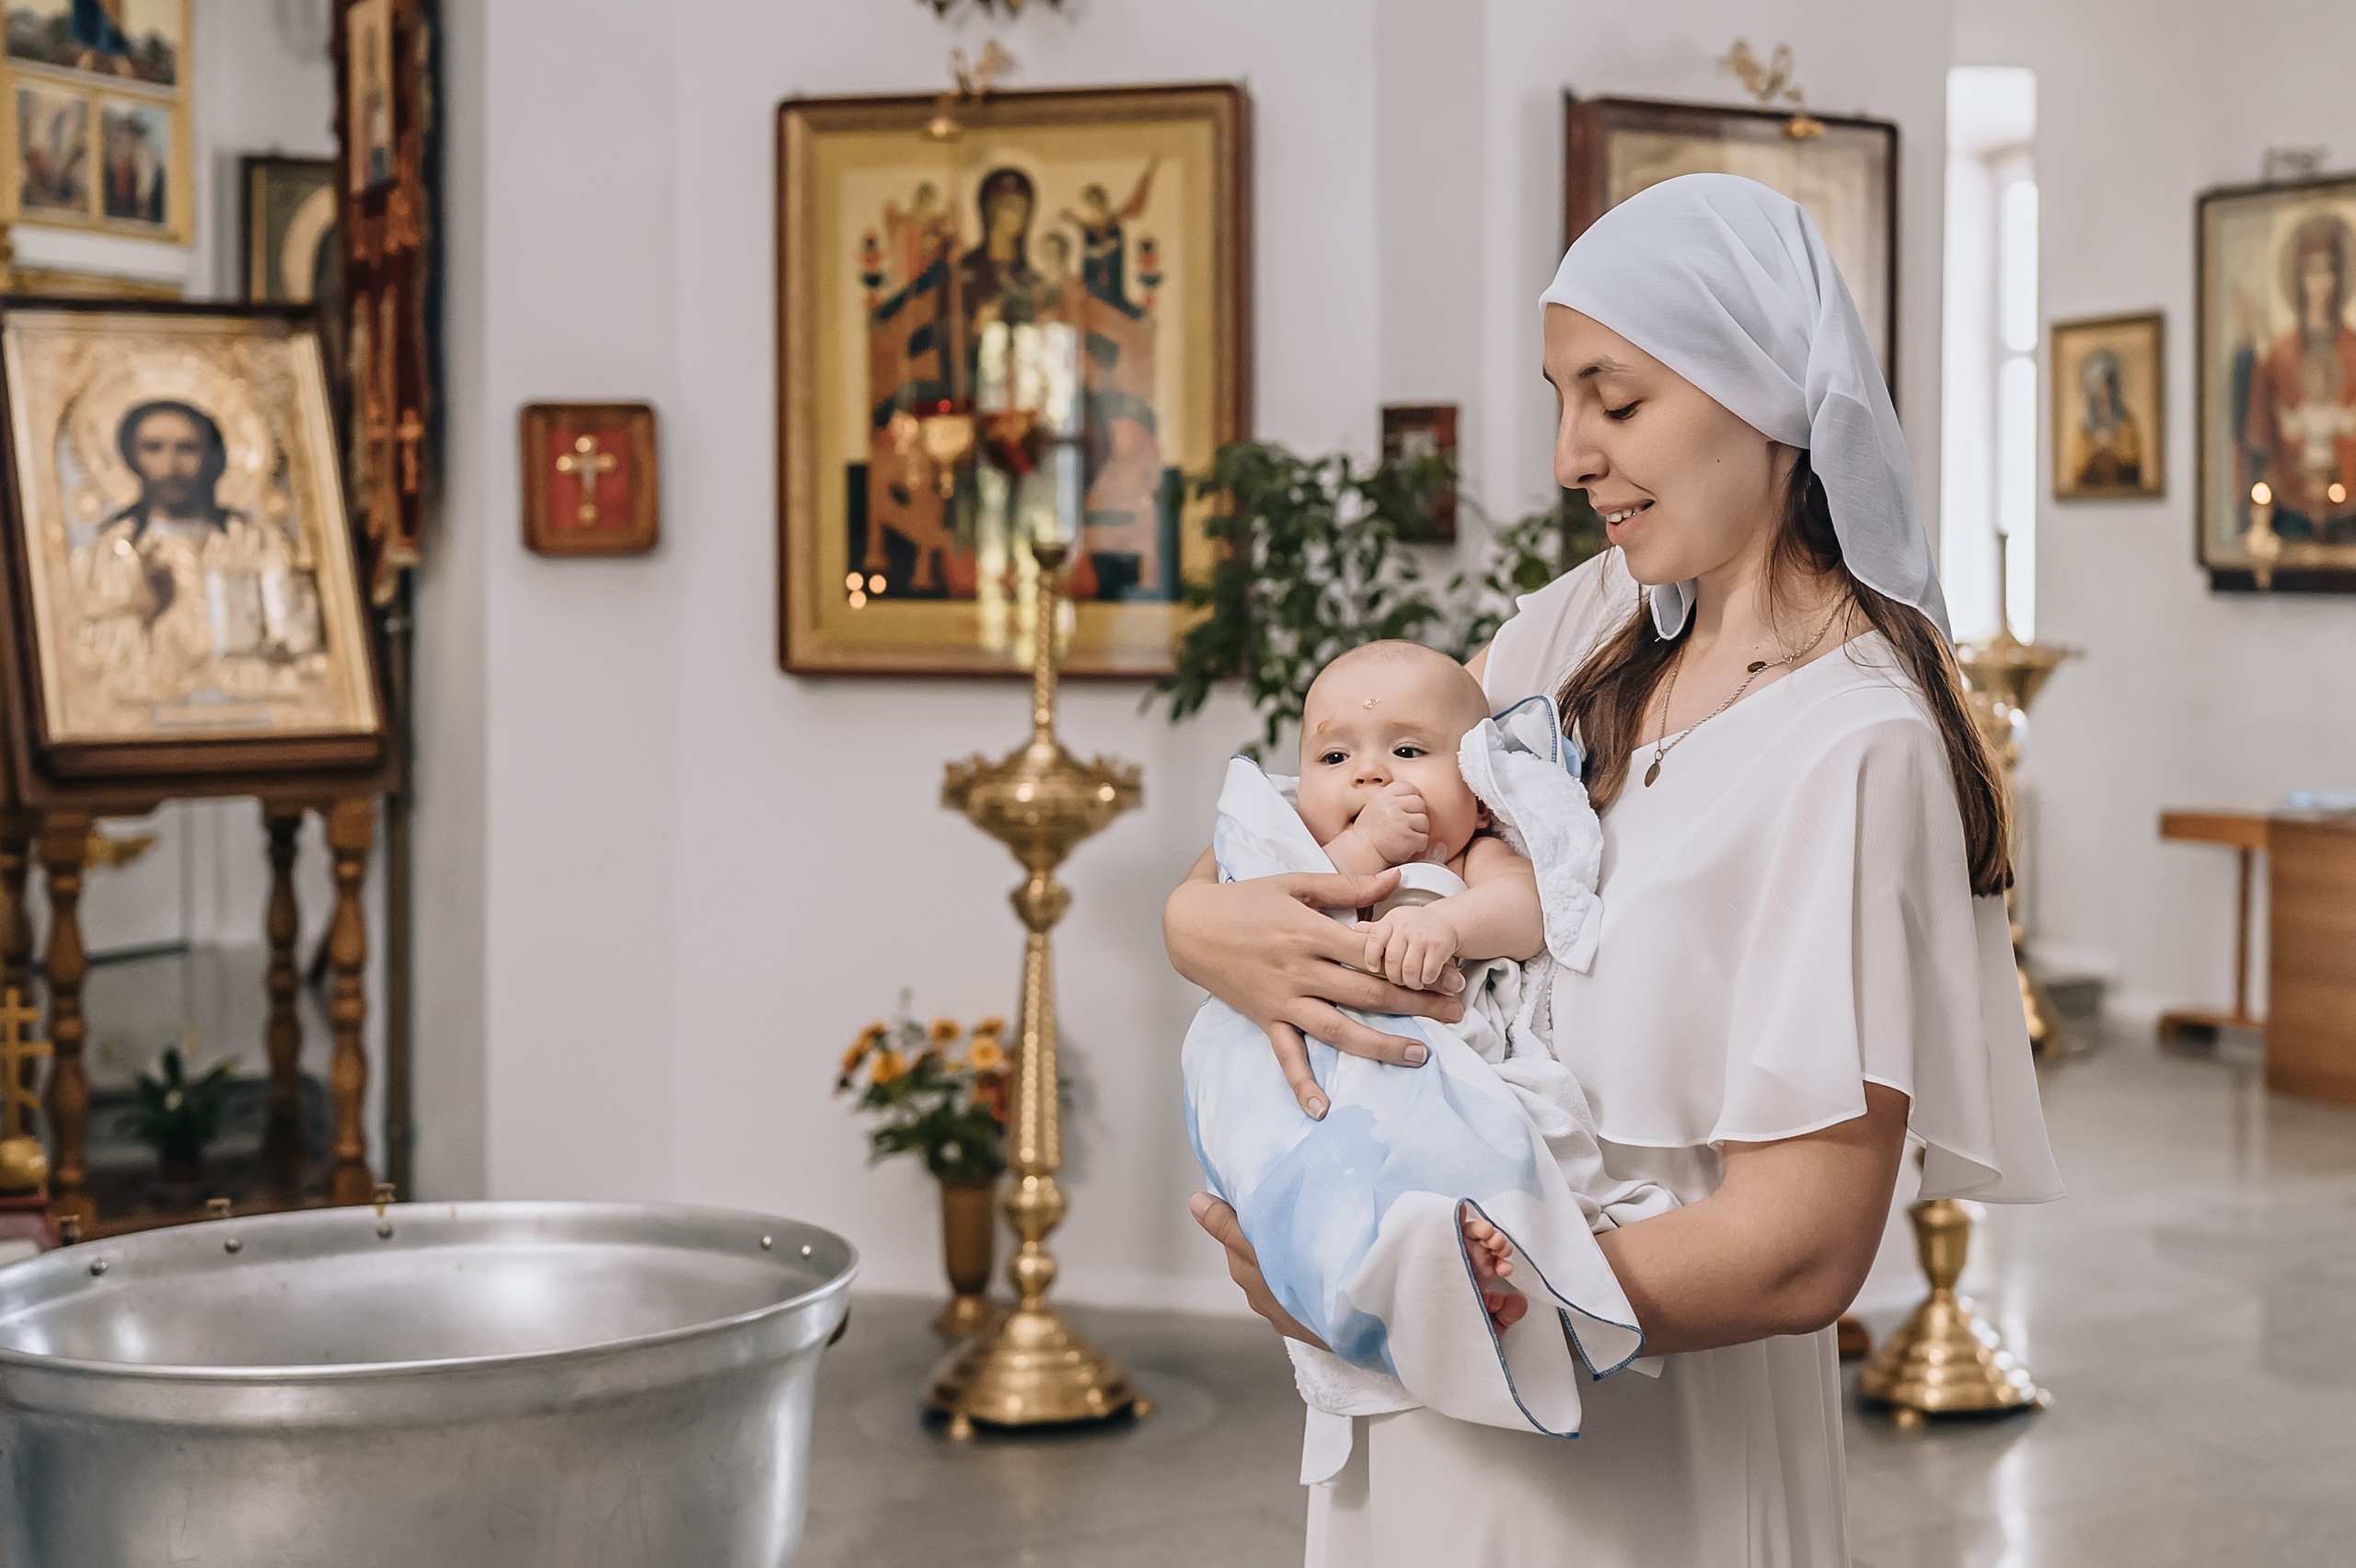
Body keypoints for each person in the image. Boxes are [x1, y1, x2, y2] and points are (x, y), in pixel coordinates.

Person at [1164, 173, 2062, 1565]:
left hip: (1644, 1457)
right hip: (1420, 1414)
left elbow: (1800, 1251)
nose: (1572, 455)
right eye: (1560, 400)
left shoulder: (1856, 746)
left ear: (1764, 389)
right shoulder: (1573, 631)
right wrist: (1196, 923)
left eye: (1617, 401)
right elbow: (1344, 809)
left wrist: (1413, 1306)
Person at [1184, 641, 1673, 1447]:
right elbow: (1289, 913)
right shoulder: (1297, 858)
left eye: (1408, 752)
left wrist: (1444, 923)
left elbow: (1527, 913)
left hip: (1440, 1066)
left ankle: (1469, 1262)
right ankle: (1395, 1273)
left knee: (1496, 1136)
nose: (1371, 776)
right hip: (1326, 1085)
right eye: (1335, 757)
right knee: (1332, 1179)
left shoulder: (1478, 854)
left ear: (1478, 794)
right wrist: (1363, 852)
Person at [72, 400, 314, 708]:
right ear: (132, 457)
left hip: (254, 710)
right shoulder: (109, 554)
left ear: (212, 456)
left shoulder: (256, 542)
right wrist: (149, 610)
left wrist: (285, 646)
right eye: (153, 448)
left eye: (187, 448)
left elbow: (299, 637)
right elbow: (90, 662)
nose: (171, 466)